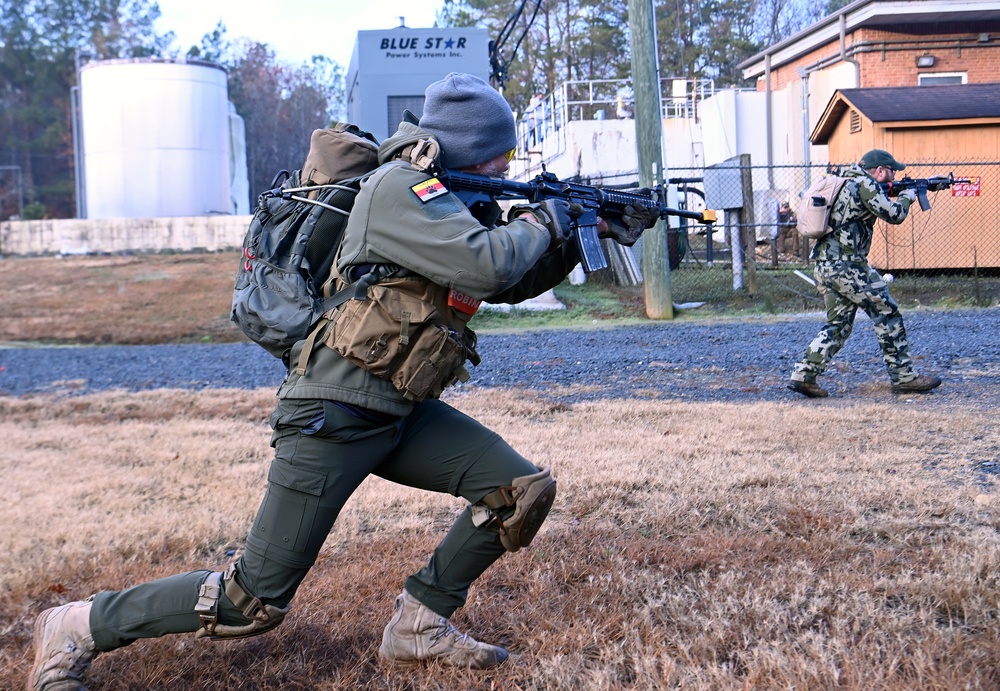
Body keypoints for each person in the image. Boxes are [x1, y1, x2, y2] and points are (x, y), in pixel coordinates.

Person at [29, 73, 656, 689]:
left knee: (516, 489)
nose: (505, 167)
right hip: (334, 410)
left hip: (398, 407)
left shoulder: (450, 203)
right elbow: (485, 265)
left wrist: (580, 236)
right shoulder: (400, 189)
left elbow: (504, 282)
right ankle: (76, 626)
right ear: (470, 147)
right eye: (503, 155)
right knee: (251, 601)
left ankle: (419, 627)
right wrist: (548, 220)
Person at [788, 149, 941, 398]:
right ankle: (904, 377)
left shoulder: (845, 182)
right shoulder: (866, 184)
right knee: (887, 311)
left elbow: (867, 201)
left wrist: (906, 188)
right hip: (848, 266)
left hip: (825, 265)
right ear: (880, 171)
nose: (894, 175)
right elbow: (895, 215)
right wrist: (907, 197)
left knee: (838, 324)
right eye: (892, 171)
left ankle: (804, 374)